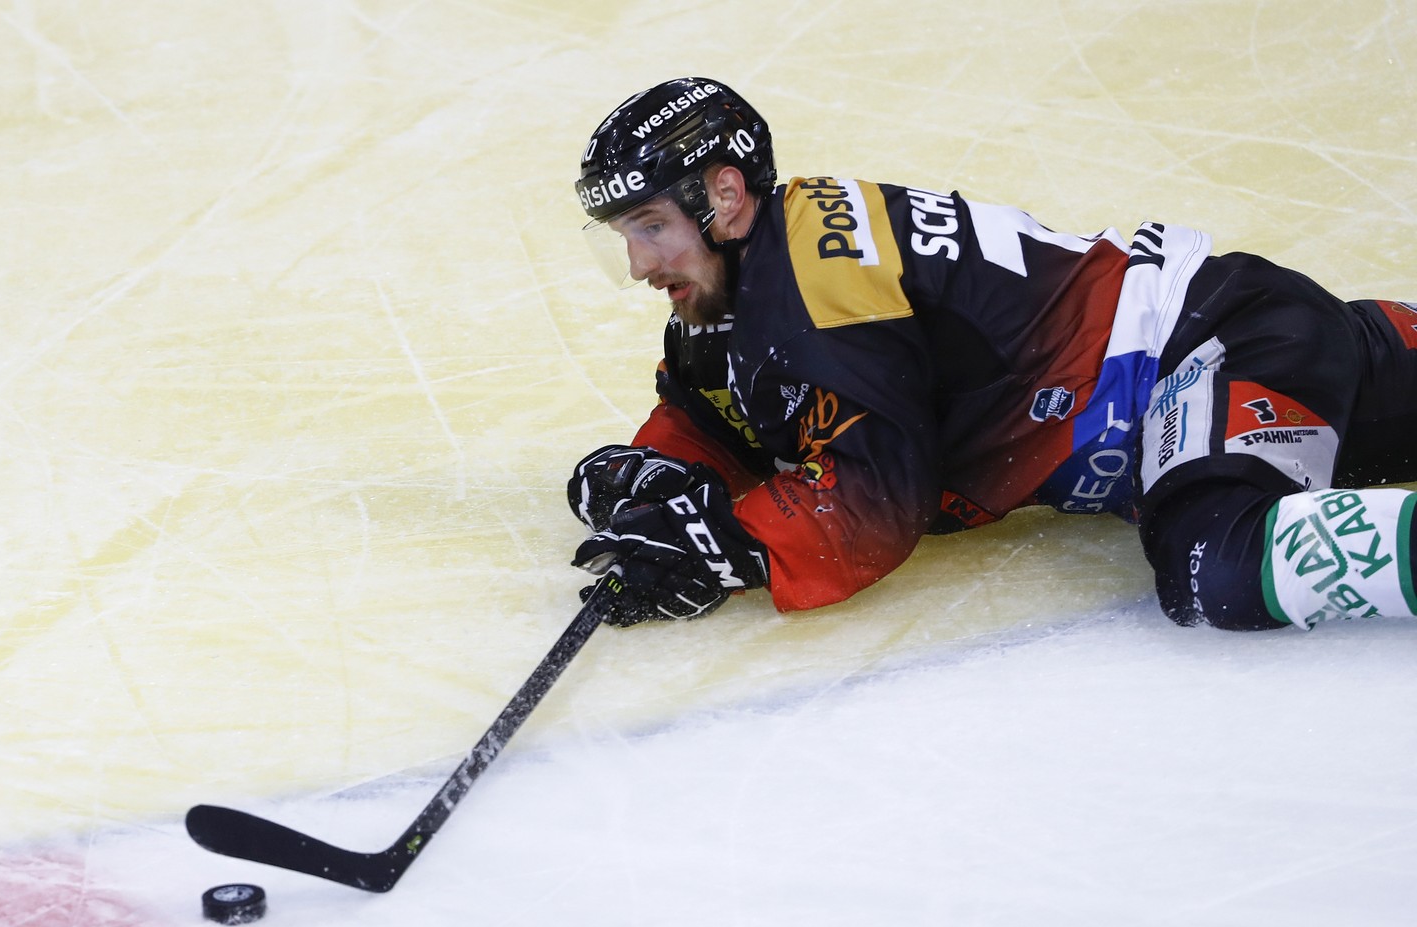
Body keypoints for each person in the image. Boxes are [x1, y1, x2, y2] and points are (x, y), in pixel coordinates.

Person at [564, 77, 1417, 631]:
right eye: (624, 236)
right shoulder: (766, 275)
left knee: (1215, 563)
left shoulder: (814, 293)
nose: (639, 265)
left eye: (650, 227)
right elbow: (728, 409)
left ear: (722, 194)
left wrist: (730, 546)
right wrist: (653, 470)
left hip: (1206, 350)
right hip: (1243, 329)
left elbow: (872, 507)